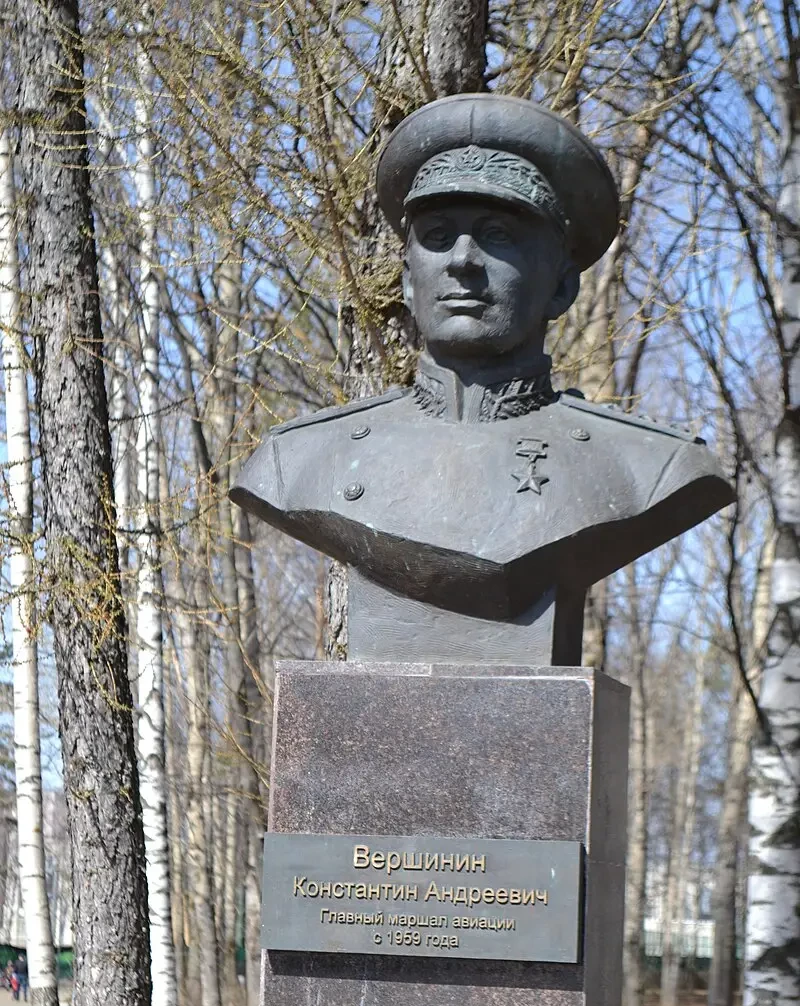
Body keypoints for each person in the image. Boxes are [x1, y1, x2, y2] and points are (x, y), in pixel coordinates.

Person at [231, 94, 734, 664]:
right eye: (437, 236)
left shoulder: (649, 469)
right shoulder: (298, 461)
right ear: (407, 281)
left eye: (498, 235)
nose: (462, 260)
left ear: (562, 285)